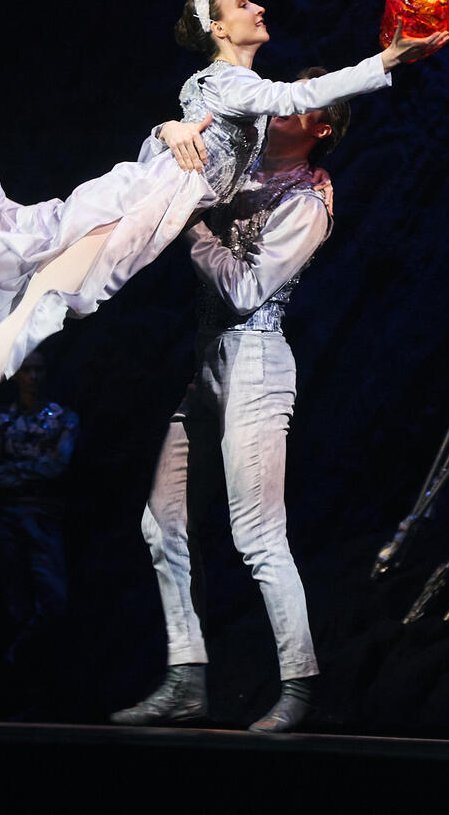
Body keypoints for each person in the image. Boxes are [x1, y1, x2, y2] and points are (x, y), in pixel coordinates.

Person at [0, 0, 449, 492]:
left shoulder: (216, 87)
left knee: (9, 224)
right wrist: (387, 61)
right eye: (243, 3)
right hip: (137, 206)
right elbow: (300, 96)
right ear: (219, 29)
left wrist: (166, 130)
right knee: (31, 306)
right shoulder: (234, 83)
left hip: (137, 195)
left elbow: (207, 138)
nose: (258, 8)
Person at [111, 69, 345, 734]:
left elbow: (246, 290)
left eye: (301, 105)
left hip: (257, 363)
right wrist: (168, 130)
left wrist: (192, 231)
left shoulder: (309, 199)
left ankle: (299, 686)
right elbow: (160, 170)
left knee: (257, 533)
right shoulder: (242, 163)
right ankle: (186, 678)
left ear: (321, 128)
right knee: (162, 523)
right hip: (209, 363)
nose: (283, 106)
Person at [0, 348, 77, 708]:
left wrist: (15, 472)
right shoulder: (1, 420)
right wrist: (31, 471)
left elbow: (58, 466)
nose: (34, 377)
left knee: (54, 602)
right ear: (16, 375)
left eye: (39, 370)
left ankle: (27, 662)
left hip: (44, 517)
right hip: (8, 518)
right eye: (27, 370)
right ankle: (19, 686)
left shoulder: (63, 417)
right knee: (14, 603)